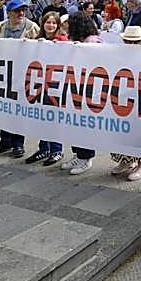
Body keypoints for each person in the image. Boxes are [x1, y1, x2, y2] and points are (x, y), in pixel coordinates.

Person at [0, 0, 40, 158]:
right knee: (4, 107)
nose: (21, 13)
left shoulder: (31, 27)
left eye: (23, 10)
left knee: (18, 109)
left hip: (22, 75)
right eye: (16, 10)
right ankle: (5, 141)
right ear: (9, 13)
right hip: (3, 73)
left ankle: (18, 143)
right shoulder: (0, 27)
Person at [109, 26, 141, 182]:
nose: (131, 44)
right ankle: (126, 160)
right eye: (128, 41)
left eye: (135, 42)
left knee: (139, 132)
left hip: (140, 98)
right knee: (121, 131)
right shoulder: (118, 55)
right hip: (122, 98)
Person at [59, 12, 99, 175]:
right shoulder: (75, 40)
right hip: (74, 86)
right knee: (74, 124)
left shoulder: (92, 42)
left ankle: (86, 157)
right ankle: (78, 154)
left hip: (87, 89)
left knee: (84, 124)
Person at [25, 10, 66, 166]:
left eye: (54, 23)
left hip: (56, 85)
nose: (51, 25)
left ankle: (57, 149)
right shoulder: (38, 40)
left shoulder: (62, 40)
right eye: (48, 22)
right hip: (40, 84)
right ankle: (44, 148)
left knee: (54, 118)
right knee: (42, 118)